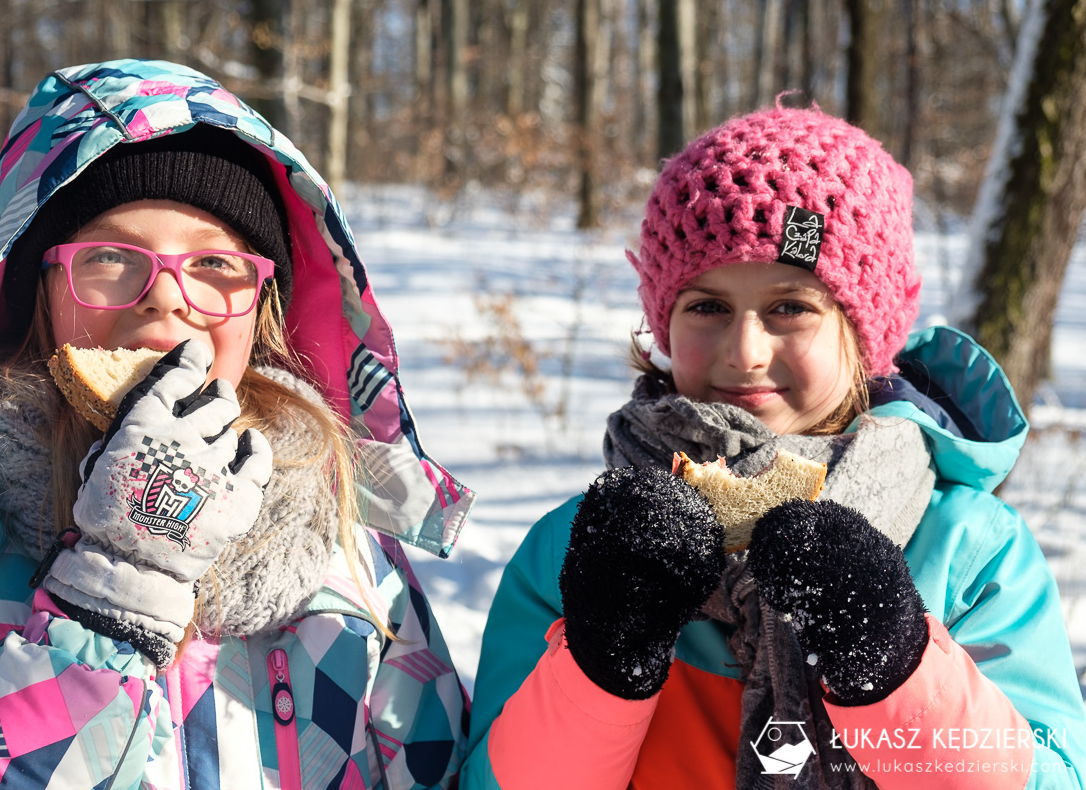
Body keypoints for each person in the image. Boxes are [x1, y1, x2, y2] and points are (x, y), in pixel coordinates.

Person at [0, 59, 473, 789]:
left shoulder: (350, 551)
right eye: (111, 256)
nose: (166, 301)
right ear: (34, 291)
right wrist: (112, 591)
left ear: (262, 307)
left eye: (213, 261)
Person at [461, 103, 1086, 788]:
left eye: (790, 307)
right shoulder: (575, 548)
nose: (744, 351)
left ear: (863, 333)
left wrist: (899, 664)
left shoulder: (965, 550)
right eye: (707, 306)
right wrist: (601, 665)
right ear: (663, 323)